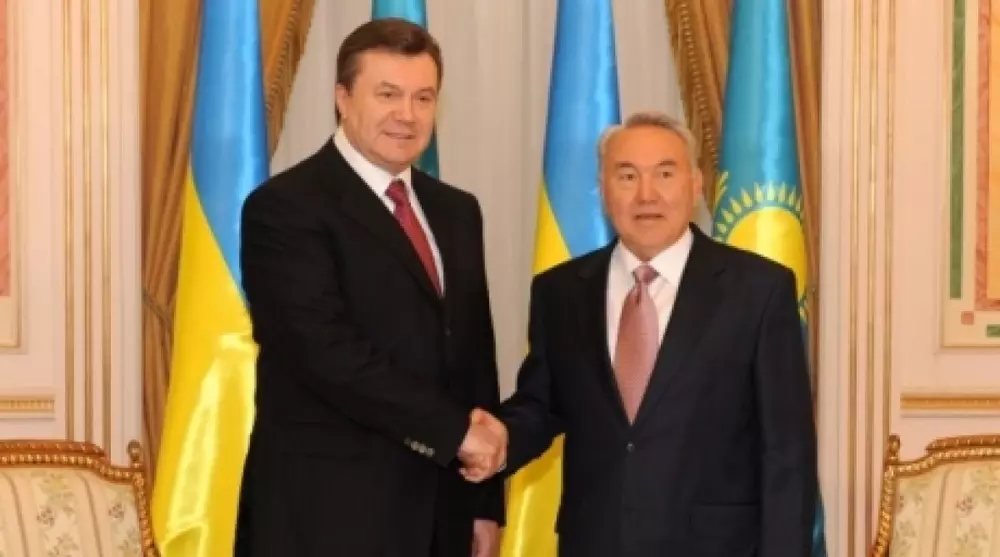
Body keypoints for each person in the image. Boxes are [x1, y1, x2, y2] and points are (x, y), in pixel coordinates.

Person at [466, 111, 817, 557]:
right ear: (603, 189)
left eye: (665, 174)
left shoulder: (758, 290)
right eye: (627, 176)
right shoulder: (560, 292)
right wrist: (501, 439)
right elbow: (541, 403)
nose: (646, 194)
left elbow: (787, 453)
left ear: (696, 185)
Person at [234, 18, 505, 557]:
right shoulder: (285, 208)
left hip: (442, 515)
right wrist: (455, 432)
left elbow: (474, 357)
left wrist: (483, 502)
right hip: (327, 519)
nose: (407, 114)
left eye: (423, 97)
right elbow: (325, 352)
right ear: (343, 98)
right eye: (387, 94)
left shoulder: (457, 211)